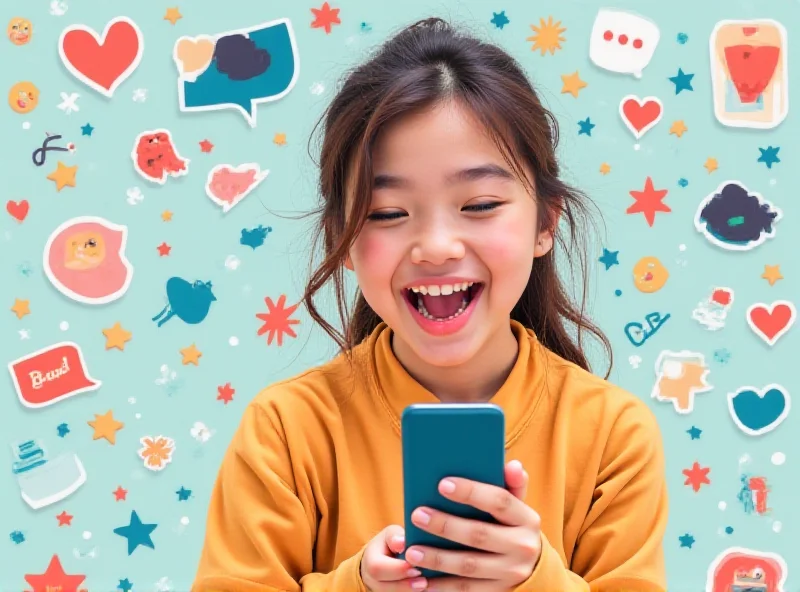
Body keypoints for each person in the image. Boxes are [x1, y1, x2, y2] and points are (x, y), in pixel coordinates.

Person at [193, 17, 668, 592]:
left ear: (545, 223)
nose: (437, 247)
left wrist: (536, 580)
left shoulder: (614, 435)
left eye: (481, 203)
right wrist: (357, 586)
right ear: (340, 239)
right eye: (388, 213)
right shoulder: (286, 431)